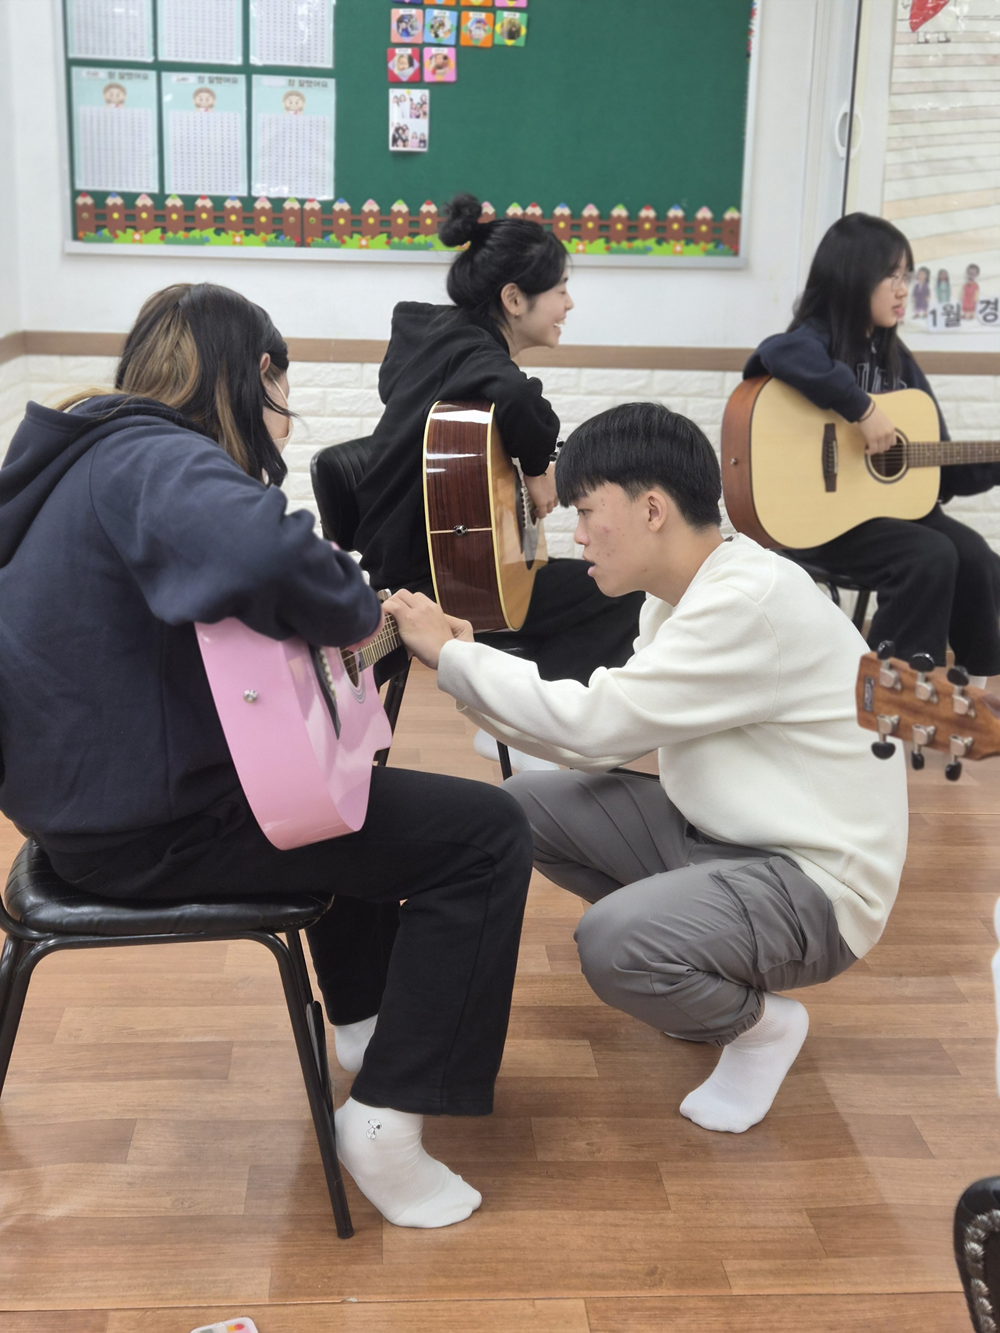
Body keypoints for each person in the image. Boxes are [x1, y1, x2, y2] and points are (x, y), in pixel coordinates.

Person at [0, 283, 534, 1229]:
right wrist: (364, 609)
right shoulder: (155, 456)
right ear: (255, 377)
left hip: (81, 813)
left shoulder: (80, 458)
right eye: (282, 394)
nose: (284, 416)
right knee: (488, 834)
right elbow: (268, 554)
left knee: (347, 787)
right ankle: (386, 1121)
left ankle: (366, 1026)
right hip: (152, 833)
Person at [383, 402, 909, 1135]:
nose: (576, 534)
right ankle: (690, 968)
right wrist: (467, 665)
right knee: (518, 810)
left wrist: (454, 658)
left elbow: (594, 728)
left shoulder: (746, 603)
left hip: (815, 885)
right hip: (725, 838)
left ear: (652, 509)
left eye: (586, 511)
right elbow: (606, 730)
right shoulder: (683, 597)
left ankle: (760, 1027)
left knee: (612, 942)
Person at [354, 191, 644, 766]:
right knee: (626, 594)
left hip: (429, 560)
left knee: (593, 584)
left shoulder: (439, 342)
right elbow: (516, 396)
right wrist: (537, 471)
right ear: (514, 298)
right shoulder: (477, 356)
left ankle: (521, 713)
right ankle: (532, 723)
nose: (568, 303)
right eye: (560, 289)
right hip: (442, 580)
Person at [744, 213, 1000, 683]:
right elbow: (777, 352)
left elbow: (941, 465)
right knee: (929, 555)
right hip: (824, 518)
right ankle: (887, 688)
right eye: (891, 276)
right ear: (853, 275)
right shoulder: (816, 340)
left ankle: (977, 687)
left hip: (890, 514)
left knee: (977, 558)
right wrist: (861, 409)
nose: (904, 290)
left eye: (907, 276)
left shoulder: (900, 363)